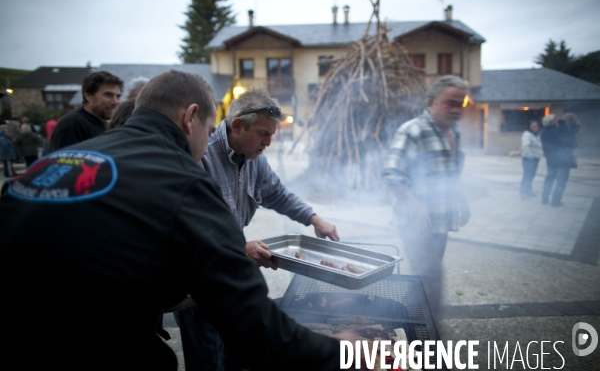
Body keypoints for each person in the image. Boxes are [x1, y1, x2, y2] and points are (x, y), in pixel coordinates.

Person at [0, 70, 351, 371]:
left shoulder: (53, 164)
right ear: (191, 117)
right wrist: (345, 352)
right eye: (210, 127)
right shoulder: (182, 179)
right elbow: (255, 329)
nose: (209, 138)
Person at [176, 89, 340, 371]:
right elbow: (186, 229)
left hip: (230, 277)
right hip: (199, 282)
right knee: (206, 359)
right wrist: (241, 249)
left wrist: (314, 218)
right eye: (263, 133)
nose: (268, 142)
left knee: (235, 356)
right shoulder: (200, 156)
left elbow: (278, 194)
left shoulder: (255, 159)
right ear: (237, 125)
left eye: (272, 134)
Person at [382, 75, 471, 326]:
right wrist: (415, 206)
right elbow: (391, 173)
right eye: (449, 103)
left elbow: (451, 172)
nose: (455, 110)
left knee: (427, 276)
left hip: (442, 220)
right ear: (432, 101)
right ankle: (427, 333)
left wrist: (462, 200)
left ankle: (416, 324)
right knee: (429, 277)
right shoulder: (413, 130)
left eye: (460, 104)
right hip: (416, 222)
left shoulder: (454, 131)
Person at [50, 70, 123, 152]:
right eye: (108, 95)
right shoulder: (72, 125)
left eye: (118, 96)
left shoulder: (103, 124)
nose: (115, 102)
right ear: (88, 96)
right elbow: (66, 162)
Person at [540, 113, 579, 206]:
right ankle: (556, 201)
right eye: (555, 119)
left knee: (549, 179)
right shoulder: (558, 132)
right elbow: (571, 143)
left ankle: (544, 198)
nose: (557, 121)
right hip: (562, 160)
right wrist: (566, 128)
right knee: (561, 181)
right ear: (551, 122)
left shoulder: (544, 132)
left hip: (551, 160)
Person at [519, 120, 543, 198]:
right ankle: (523, 192)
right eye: (533, 126)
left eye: (536, 126)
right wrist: (530, 156)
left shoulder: (536, 135)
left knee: (531, 175)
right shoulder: (527, 134)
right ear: (529, 127)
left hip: (536, 158)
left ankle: (529, 191)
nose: (535, 128)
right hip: (529, 159)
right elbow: (525, 147)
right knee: (527, 176)